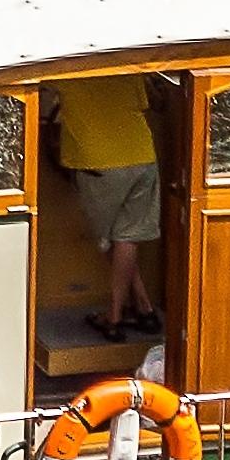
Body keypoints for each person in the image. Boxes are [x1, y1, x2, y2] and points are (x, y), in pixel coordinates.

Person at [52, 69, 161, 336]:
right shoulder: (126, 65)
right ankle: (145, 309)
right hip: (142, 158)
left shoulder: (66, 70)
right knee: (127, 238)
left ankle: (113, 318)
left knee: (107, 241)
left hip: (99, 164)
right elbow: (147, 102)